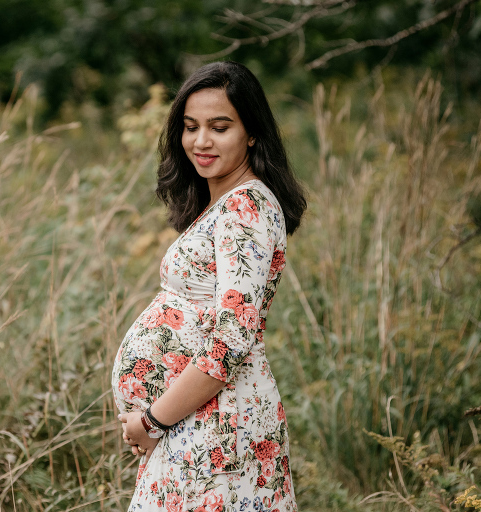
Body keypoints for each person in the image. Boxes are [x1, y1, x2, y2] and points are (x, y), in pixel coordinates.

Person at [111, 61, 307, 511]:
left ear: (251, 132)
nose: (201, 141)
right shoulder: (226, 204)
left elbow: (232, 340)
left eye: (220, 127)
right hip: (199, 422)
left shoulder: (247, 208)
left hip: (218, 425)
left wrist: (153, 419)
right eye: (190, 126)